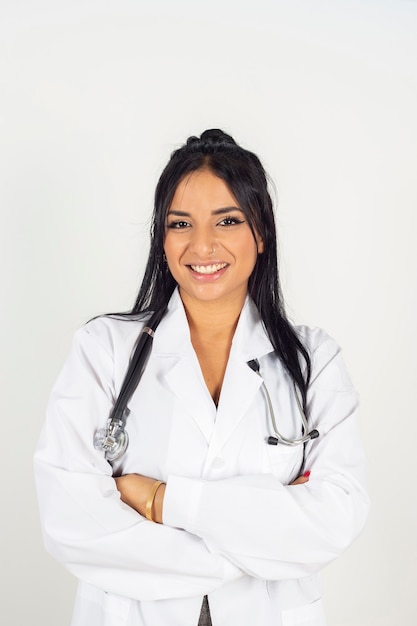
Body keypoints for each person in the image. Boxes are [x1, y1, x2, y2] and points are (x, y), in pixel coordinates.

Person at [34, 129, 369, 626]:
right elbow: (71, 520)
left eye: (227, 220)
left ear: (260, 232)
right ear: (162, 237)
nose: (202, 245)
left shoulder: (312, 360)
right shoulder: (104, 350)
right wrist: (251, 547)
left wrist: (160, 500)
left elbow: (335, 518)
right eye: (180, 223)